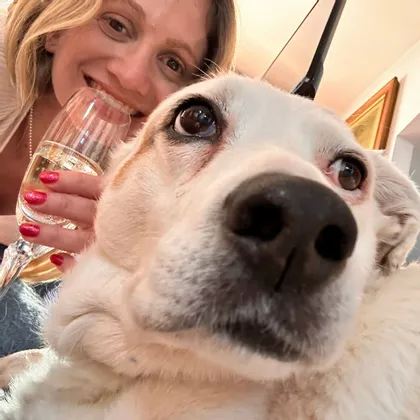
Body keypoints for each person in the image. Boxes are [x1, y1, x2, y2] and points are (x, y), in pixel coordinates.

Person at [0, 0, 238, 357]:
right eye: (117, 25)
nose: (131, 76)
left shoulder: (153, 200)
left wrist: (109, 269)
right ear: (58, 28)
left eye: (172, 63)